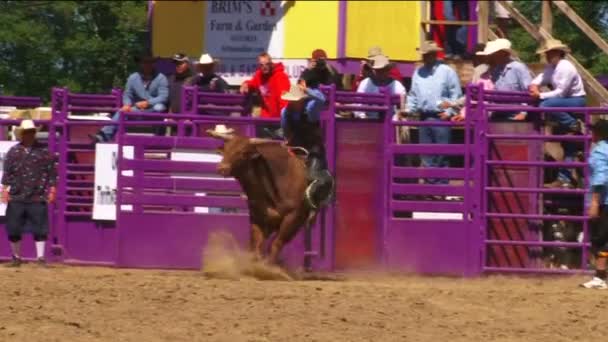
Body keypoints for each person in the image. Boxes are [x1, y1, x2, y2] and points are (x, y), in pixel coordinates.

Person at [530, 39, 586, 189]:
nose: (547, 55)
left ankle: (572, 124)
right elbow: (542, 78)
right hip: (567, 102)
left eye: (550, 52)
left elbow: (561, 92)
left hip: (575, 100)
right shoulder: (553, 67)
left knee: (545, 105)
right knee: (568, 144)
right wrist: (534, 85)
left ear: (558, 53)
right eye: (547, 53)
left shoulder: (565, 67)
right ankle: (565, 179)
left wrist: (539, 95)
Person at [1, 120, 56, 267]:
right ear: (22, 134)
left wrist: (52, 189)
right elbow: (7, 173)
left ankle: (40, 258)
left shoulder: (44, 151)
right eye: (27, 132)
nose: (29, 135)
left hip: (37, 194)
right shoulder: (13, 151)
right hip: (17, 194)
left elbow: (51, 172)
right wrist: (4, 190)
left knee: (40, 227)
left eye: (31, 132)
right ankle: (16, 257)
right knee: (13, 226)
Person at [406, 41, 461, 186]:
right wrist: (409, 110)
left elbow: (456, 94)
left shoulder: (447, 71)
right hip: (424, 116)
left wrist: (449, 112)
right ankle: (432, 185)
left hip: (441, 117)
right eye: (424, 55)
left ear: (434, 54)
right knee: (426, 153)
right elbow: (413, 94)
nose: (425, 57)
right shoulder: (418, 72)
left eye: (427, 54)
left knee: (441, 153)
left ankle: (441, 186)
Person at [280, 69, 333, 209]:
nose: (290, 104)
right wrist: (288, 142)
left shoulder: (310, 110)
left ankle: (320, 197)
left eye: (294, 101)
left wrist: (307, 90)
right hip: (295, 148)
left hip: (312, 150)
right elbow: (286, 131)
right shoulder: (285, 112)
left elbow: (322, 99)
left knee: (314, 174)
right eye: (290, 101)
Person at [92, 54, 169, 142]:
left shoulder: (161, 78)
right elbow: (127, 94)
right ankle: (103, 136)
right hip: (137, 109)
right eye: (144, 62)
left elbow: (164, 97)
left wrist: (148, 102)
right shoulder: (133, 77)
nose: (147, 64)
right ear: (140, 64)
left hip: (153, 110)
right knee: (122, 111)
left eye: (150, 62)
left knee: (159, 107)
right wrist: (127, 104)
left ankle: (158, 135)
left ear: (153, 64)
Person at [581, 119, 608, 289]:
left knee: (600, 238)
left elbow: (601, 178)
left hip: (605, 201)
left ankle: (600, 277)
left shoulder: (600, 151)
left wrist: (595, 202)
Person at [240, 52, 290, 118]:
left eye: (267, 64)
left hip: (279, 118)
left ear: (271, 64)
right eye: (261, 65)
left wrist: (283, 119)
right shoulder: (259, 75)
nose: (264, 67)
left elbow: (284, 100)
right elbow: (252, 83)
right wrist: (246, 84)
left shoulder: (280, 77)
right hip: (266, 117)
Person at [355, 54, 406, 119]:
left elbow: (402, 110)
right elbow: (358, 107)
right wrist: (364, 118)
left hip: (391, 122)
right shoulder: (365, 84)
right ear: (373, 70)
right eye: (378, 70)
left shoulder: (397, 86)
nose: (381, 73)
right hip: (368, 122)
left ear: (388, 70)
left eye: (383, 70)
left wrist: (394, 119)